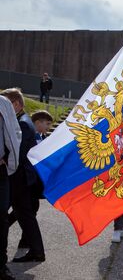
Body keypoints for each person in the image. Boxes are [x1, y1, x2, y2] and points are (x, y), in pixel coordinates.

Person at [0, 88, 45, 263]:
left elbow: (18, 152)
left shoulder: (23, 123)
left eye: (7, 103)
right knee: (23, 214)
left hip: (19, 178)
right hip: (19, 177)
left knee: (23, 214)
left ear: (17, 104)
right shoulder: (21, 120)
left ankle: (36, 251)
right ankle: (35, 250)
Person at [0, 95, 21, 280]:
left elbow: (15, 133)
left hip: (1, 172)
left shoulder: (4, 103)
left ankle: (1, 265)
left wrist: (8, 159)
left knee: (2, 220)